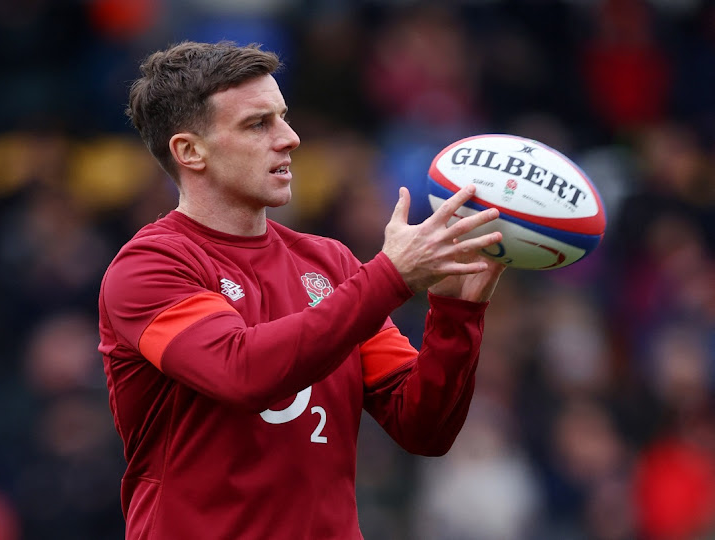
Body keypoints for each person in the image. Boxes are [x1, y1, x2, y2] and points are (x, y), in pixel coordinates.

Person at [98, 40, 506, 539]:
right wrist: (390, 277)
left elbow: (422, 427)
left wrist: (456, 312)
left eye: (283, 117)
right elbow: (241, 372)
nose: (289, 138)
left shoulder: (329, 262)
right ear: (189, 151)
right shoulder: (150, 267)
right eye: (257, 124)